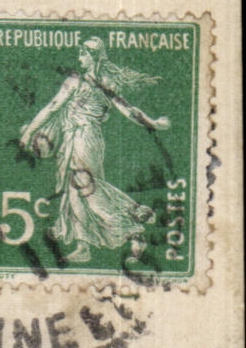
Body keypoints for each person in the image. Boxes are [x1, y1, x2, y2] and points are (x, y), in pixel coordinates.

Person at [18, 37, 170, 264]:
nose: (79, 59)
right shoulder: (104, 84)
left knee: (84, 187)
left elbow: (52, 107)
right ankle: (85, 244)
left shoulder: (76, 82)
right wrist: (153, 123)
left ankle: (131, 221)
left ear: (93, 57)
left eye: (83, 54)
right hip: (83, 139)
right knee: (78, 191)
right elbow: (130, 111)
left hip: (82, 138)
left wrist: (29, 133)